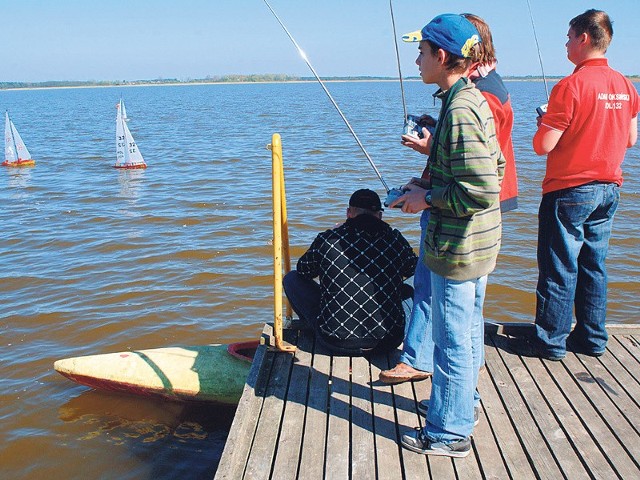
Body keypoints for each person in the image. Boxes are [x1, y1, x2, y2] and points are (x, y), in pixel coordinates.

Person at [379, 12, 517, 385]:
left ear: (443, 56)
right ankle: (462, 404)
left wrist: (429, 198)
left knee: (452, 338)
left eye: (422, 51)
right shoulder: (470, 96)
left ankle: (449, 430)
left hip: (459, 240)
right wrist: (428, 182)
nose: (417, 60)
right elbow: (496, 163)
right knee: (467, 327)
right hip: (474, 234)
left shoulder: (466, 104)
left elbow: (482, 185)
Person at [511, 9, 639, 360]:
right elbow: (630, 139)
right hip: (609, 188)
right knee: (594, 265)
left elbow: (543, 146)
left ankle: (550, 342)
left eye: (569, 37)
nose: (566, 44)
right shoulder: (627, 85)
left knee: (558, 266)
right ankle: (592, 339)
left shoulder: (570, 85)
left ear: (584, 38)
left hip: (569, 189)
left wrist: (545, 122)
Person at [283, 189, 418, 356]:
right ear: (379, 215)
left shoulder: (329, 239)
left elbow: (303, 270)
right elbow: (413, 269)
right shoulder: (394, 239)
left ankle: (317, 325)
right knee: (417, 281)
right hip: (387, 342)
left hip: (334, 341)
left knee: (291, 279)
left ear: (349, 213)